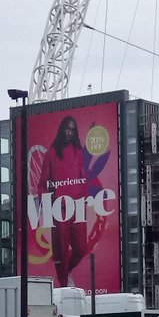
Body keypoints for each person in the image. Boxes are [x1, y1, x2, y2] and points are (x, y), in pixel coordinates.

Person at [38, 115, 90, 288]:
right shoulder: (51, 154)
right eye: (67, 129)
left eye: (72, 129)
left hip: (76, 206)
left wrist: (83, 197)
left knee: (81, 248)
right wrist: (46, 206)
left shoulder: (78, 152)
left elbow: (82, 177)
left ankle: (66, 272)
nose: (69, 132)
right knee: (59, 250)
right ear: (62, 130)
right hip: (58, 209)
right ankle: (64, 287)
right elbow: (43, 183)